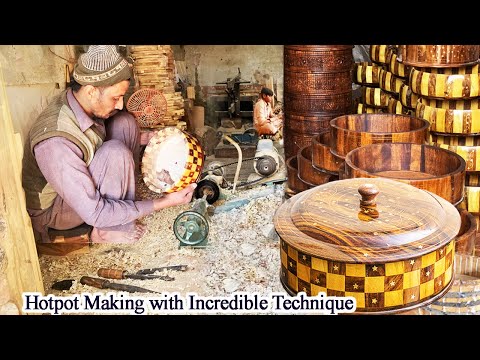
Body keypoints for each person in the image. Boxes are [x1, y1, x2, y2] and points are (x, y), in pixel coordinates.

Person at [22, 45, 196, 244]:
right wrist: (162, 203)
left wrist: (145, 139)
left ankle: (123, 207)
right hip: (55, 213)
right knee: (116, 153)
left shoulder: (80, 101)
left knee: (124, 121)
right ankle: (105, 230)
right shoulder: (55, 143)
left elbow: (90, 139)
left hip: (74, 190)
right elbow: (93, 210)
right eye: (116, 97)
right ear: (91, 92)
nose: (121, 104)